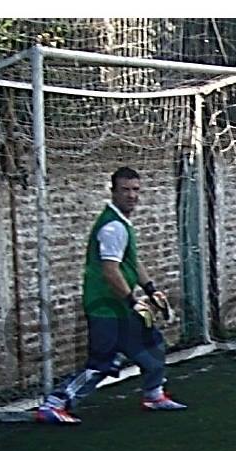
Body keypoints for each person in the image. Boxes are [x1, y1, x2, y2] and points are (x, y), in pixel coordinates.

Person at [35, 167, 188, 424]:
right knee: (102, 363)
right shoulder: (113, 227)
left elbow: (131, 261)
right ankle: (55, 403)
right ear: (113, 192)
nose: (132, 195)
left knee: (153, 346)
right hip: (106, 307)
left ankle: (154, 395)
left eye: (136, 190)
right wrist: (133, 301)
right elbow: (110, 271)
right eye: (125, 190)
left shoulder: (122, 223)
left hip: (121, 306)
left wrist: (151, 289)